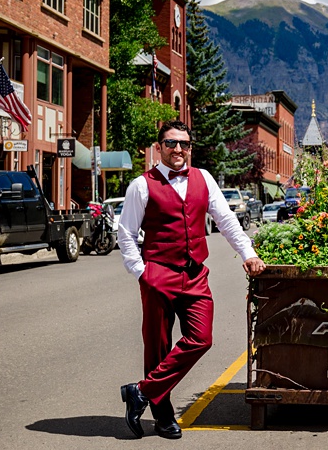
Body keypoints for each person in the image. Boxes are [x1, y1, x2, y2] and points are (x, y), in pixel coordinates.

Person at [117, 120, 267, 439]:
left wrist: (248, 253)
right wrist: (141, 272)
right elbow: (126, 234)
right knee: (157, 348)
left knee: (201, 338)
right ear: (159, 147)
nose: (178, 150)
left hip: (195, 273)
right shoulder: (141, 185)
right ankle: (163, 416)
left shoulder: (204, 178)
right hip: (157, 274)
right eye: (171, 143)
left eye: (184, 144)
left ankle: (141, 391)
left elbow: (226, 220)